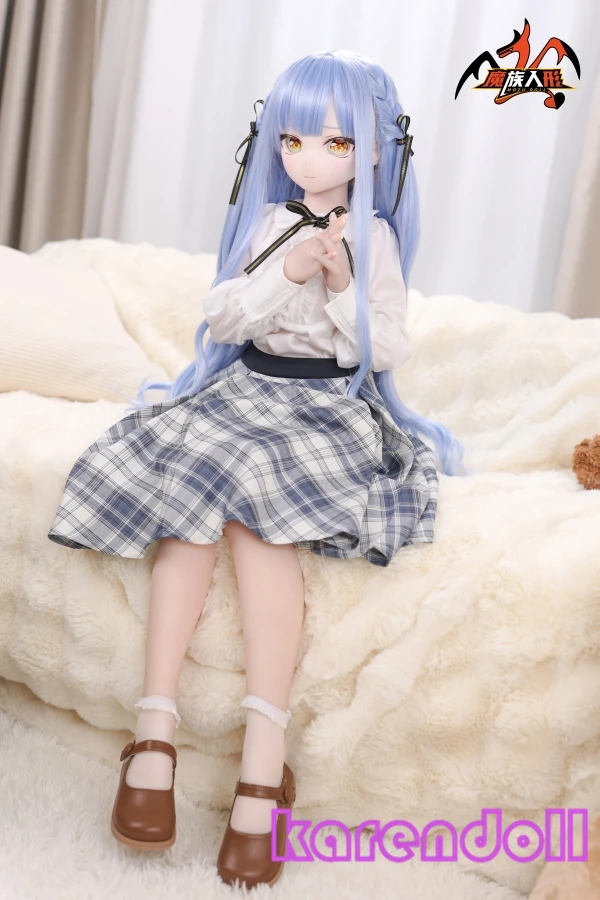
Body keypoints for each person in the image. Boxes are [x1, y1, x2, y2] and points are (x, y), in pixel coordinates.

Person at [47, 49, 468, 889]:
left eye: (336, 143)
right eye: (294, 139)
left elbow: (388, 346)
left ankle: (261, 765)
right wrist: (289, 272)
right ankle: (154, 739)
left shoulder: (376, 237)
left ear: (373, 151)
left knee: (257, 518)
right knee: (191, 498)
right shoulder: (272, 221)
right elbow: (225, 316)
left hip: (324, 407)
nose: (310, 157)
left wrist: (341, 284)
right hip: (244, 390)